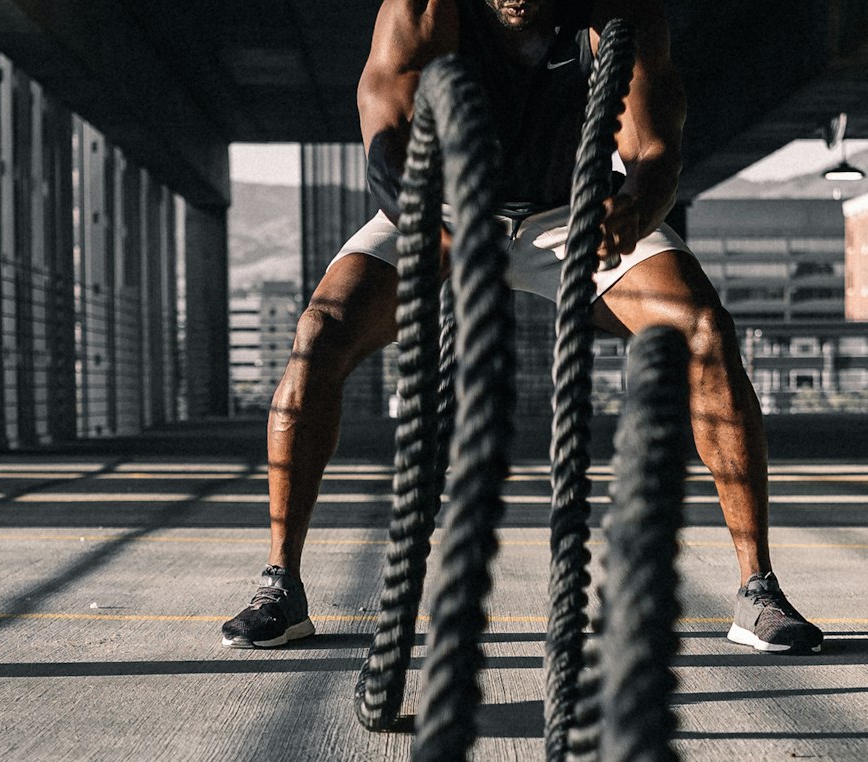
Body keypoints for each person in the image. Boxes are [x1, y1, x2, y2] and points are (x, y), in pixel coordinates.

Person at [220, 0, 826, 655]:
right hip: (439, 205)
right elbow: (384, 145)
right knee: (319, 334)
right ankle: (281, 583)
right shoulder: (424, 9)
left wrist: (632, 212)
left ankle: (757, 590)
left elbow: (654, 151)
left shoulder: (617, 13)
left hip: (567, 212)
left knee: (705, 331)